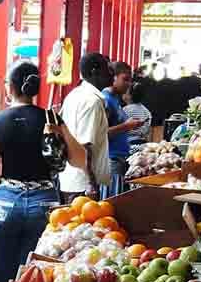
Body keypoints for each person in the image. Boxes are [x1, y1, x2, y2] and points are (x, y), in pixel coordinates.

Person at [0, 61, 86, 282]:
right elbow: (80, 160)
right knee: (35, 275)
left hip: (5, 201)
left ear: (10, 87)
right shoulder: (51, 118)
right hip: (45, 201)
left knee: (4, 274)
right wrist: (60, 129)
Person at [58, 52, 112, 203]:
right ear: (95, 72)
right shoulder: (92, 102)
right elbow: (84, 146)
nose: (111, 73)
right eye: (107, 68)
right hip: (81, 185)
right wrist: (91, 183)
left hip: (72, 179)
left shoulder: (75, 95)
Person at [100, 62, 144, 198]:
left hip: (118, 159)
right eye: (125, 79)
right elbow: (101, 133)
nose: (129, 84)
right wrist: (127, 126)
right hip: (111, 160)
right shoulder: (106, 100)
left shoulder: (115, 99)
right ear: (113, 77)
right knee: (111, 204)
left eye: (130, 80)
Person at [123, 82, 152, 146]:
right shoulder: (146, 111)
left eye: (125, 92)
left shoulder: (124, 110)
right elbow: (148, 131)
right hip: (143, 143)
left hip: (127, 144)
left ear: (129, 96)